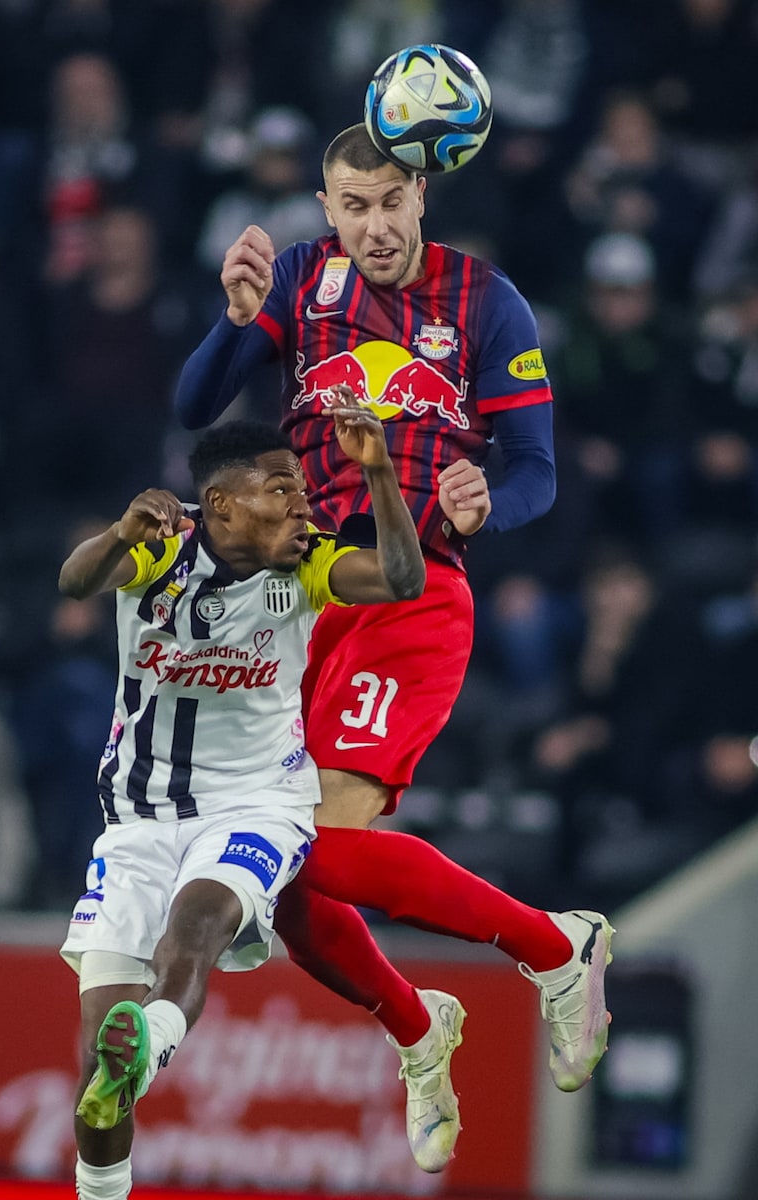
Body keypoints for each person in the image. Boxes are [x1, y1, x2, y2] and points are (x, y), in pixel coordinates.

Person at [174, 121, 615, 1169]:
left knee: (308, 844)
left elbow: (535, 470)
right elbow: (194, 408)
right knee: (283, 886)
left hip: (415, 594)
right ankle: (421, 1031)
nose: (374, 226)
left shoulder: (483, 302)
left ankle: (556, 949)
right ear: (327, 211)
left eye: (390, 203)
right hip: (304, 600)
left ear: (423, 198)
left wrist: (483, 501)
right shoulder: (295, 282)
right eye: (353, 206)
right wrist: (232, 323)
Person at [60, 392, 429, 1200]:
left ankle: (152, 1045)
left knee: (196, 925)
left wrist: (380, 478)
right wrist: (122, 532)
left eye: (301, 489)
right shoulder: (162, 550)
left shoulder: (311, 566)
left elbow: (403, 579)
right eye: (281, 489)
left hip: (259, 803)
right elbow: (74, 580)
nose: (303, 503)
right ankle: (104, 1178)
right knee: (92, 1064)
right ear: (220, 505)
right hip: (138, 818)